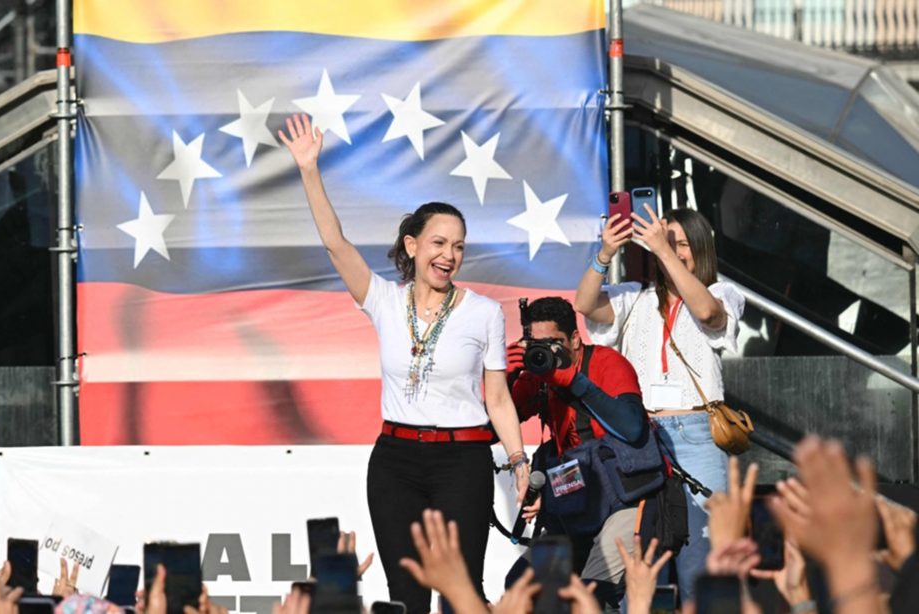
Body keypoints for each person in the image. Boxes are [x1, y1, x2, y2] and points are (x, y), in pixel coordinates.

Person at [278, 114, 529, 613]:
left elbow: (498, 398)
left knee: (461, 594)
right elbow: (336, 244)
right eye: (439, 243)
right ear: (413, 246)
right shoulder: (384, 301)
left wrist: (519, 459)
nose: (449, 255)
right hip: (395, 462)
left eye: (458, 246)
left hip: (463, 461)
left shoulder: (483, 313)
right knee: (406, 598)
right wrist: (309, 169)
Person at [573, 204, 745, 601]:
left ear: (700, 248)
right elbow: (585, 304)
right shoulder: (636, 296)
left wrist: (664, 250)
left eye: (683, 244)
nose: (673, 251)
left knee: (700, 561)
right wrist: (605, 253)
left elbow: (708, 313)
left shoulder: (722, 292)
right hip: (642, 440)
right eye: (666, 243)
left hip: (698, 436)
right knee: (639, 559)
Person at [504, 296, 651, 605]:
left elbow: (633, 429)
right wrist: (504, 378)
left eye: (554, 344)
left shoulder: (607, 363)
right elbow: (491, 430)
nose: (547, 353)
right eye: (538, 346)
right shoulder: (538, 374)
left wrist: (573, 381)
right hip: (576, 503)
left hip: (625, 499)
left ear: (574, 338)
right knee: (520, 587)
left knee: (593, 594)